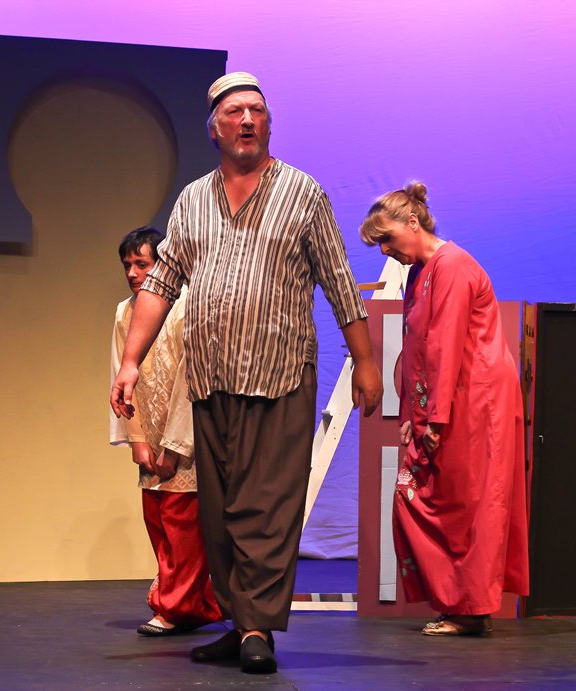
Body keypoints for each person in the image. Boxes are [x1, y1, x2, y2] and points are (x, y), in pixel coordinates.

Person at [110, 72, 382, 674]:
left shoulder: (302, 193)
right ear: (215, 129)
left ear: (269, 124)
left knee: (266, 508)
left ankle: (257, 628)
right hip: (211, 381)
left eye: (258, 110)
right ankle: (238, 623)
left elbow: (339, 282)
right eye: (235, 112)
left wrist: (365, 361)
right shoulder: (192, 201)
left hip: (278, 376)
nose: (248, 119)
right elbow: (161, 283)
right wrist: (130, 362)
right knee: (221, 513)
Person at [359, 181, 529, 636]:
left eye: (387, 239)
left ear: (413, 222)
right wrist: (413, 417)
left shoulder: (452, 266)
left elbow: (445, 346)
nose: (385, 251)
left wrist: (434, 419)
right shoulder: (422, 272)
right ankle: (460, 603)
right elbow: (418, 348)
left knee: (467, 502)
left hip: (474, 401)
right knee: (428, 498)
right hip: (450, 399)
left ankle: (469, 609)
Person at [109, 226, 222, 637]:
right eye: (128, 265)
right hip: (151, 435)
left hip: (185, 437)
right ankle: (193, 604)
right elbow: (121, 372)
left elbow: (191, 380)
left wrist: (175, 445)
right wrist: (137, 438)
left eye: (142, 264)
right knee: (156, 518)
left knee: (183, 523)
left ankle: (174, 607)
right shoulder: (126, 312)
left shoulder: (188, 305)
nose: (133, 273)